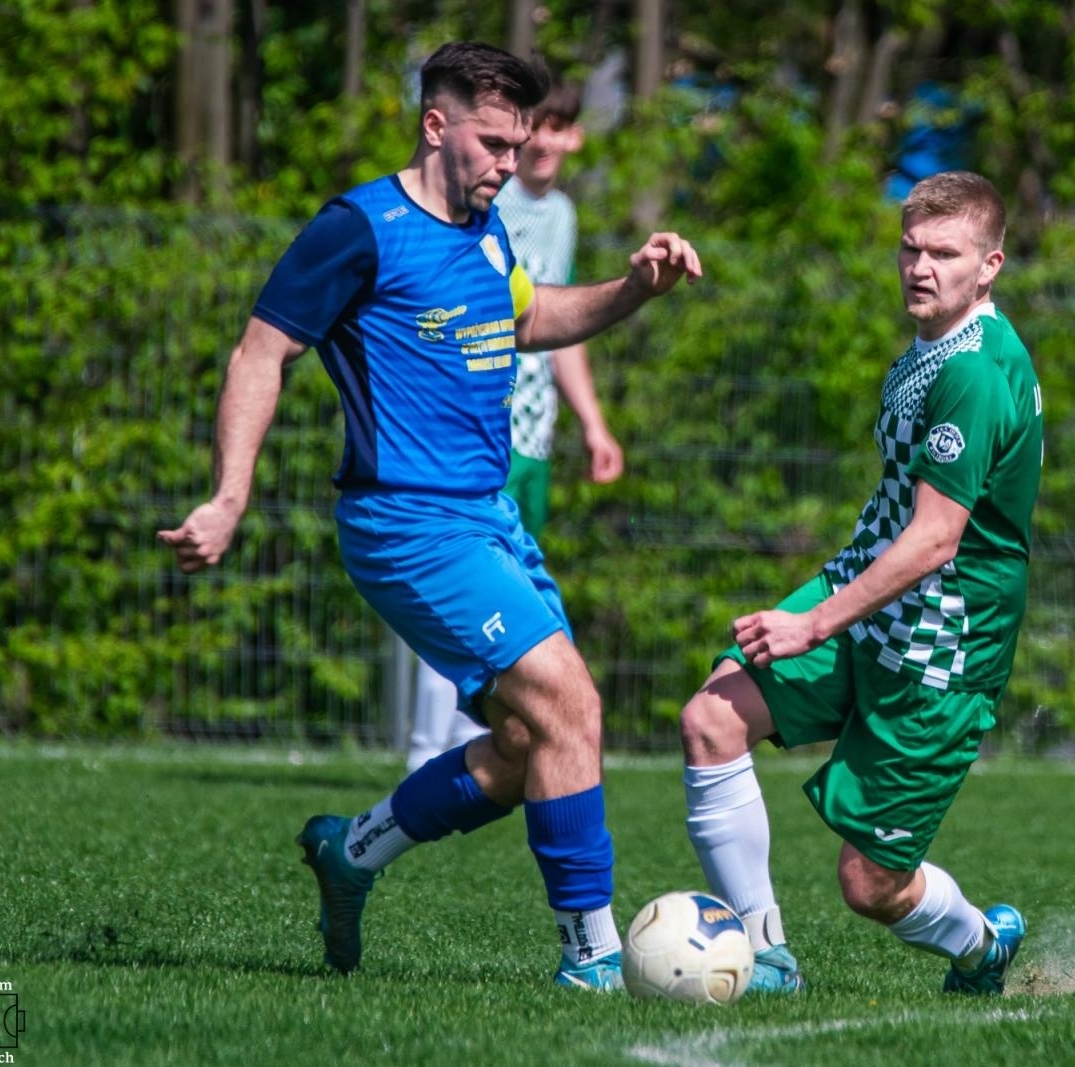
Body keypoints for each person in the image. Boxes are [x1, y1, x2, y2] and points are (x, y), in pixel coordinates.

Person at [158, 41, 702, 990]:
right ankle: (593, 958)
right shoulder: (360, 227)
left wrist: (633, 291)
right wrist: (229, 494)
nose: (509, 163)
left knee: (529, 742)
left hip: (489, 518)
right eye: (494, 143)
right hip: (407, 524)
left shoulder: (486, 229)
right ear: (435, 124)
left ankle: (353, 851)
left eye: (518, 144)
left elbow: (526, 320)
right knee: (572, 702)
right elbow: (259, 353)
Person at [678, 171, 1041, 996]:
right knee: (711, 720)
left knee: (869, 884)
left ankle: (982, 944)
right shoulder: (931, 347)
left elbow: (938, 538)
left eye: (945, 253)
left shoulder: (975, 373)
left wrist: (813, 623)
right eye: (911, 249)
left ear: (990, 266)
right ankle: (765, 957)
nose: (921, 268)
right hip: (868, 592)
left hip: (941, 643)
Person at [406, 79, 623, 774]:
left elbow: (553, 324)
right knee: (461, 587)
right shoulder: (481, 205)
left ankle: (481, 746)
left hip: (531, 439)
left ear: (574, 137)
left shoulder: (561, 214)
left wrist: (593, 424)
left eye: (559, 126)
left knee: (507, 596)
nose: (543, 141)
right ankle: (426, 749)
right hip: (475, 432)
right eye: (535, 126)